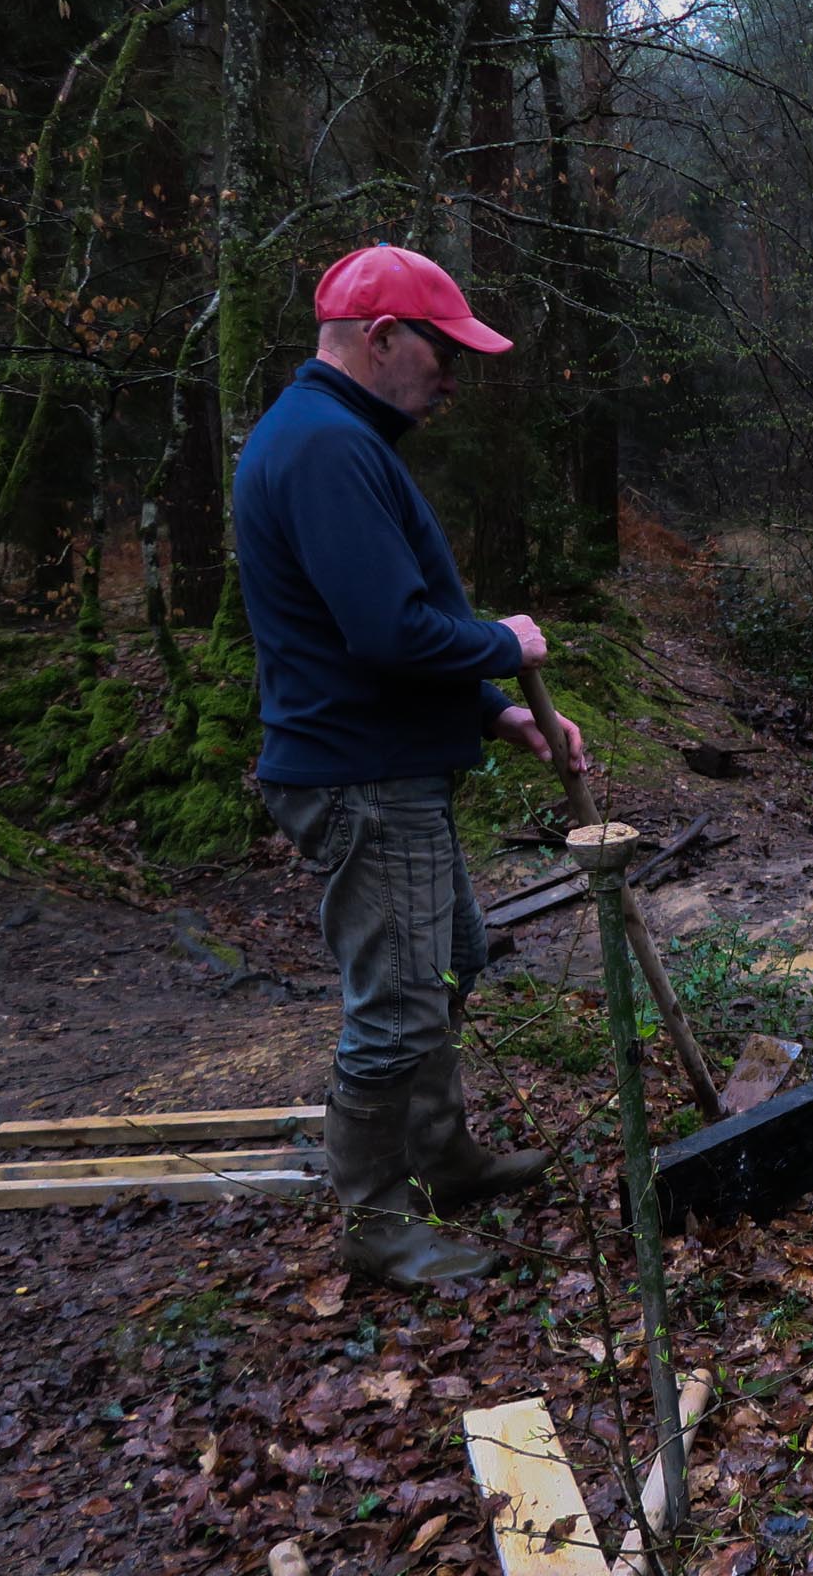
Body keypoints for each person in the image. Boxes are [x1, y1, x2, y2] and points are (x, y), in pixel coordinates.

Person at [235, 244, 586, 1288]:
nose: (452, 378)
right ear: (380, 338)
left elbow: (374, 633)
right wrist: (503, 646)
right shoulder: (324, 450)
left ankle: (440, 1151)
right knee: (395, 1003)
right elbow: (391, 633)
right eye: (442, 354)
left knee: (457, 959)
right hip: (361, 778)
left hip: (389, 763)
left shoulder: (339, 440)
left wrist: (492, 715)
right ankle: (378, 1219)